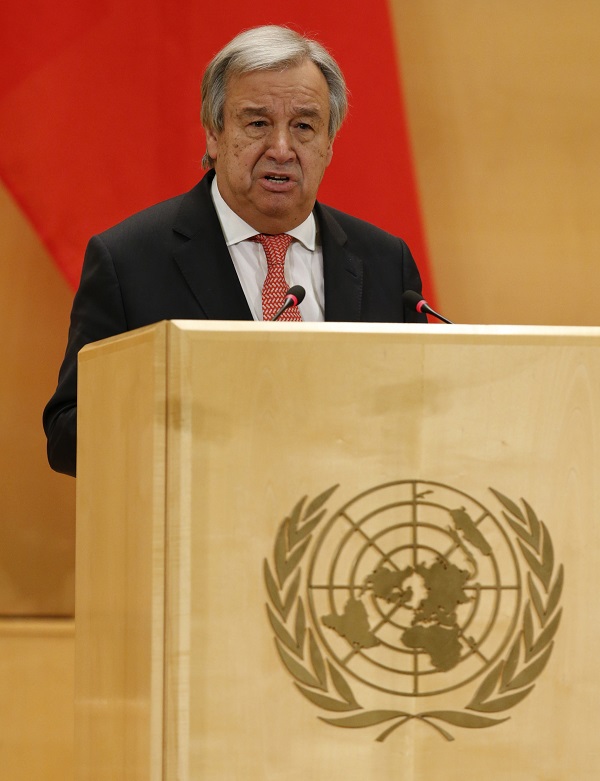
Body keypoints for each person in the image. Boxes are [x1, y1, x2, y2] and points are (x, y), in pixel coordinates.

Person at [43, 25, 426, 477]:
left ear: (329, 145)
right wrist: (188, 426)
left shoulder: (386, 263)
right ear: (214, 134)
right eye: (257, 123)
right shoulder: (129, 261)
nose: (281, 149)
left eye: (304, 127)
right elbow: (67, 435)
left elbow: (423, 416)